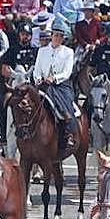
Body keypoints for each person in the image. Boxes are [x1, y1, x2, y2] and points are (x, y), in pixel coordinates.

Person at [33, 25, 77, 155]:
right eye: (56, 35)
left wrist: (55, 78)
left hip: (61, 85)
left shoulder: (68, 52)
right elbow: (37, 69)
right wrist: (38, 78)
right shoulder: (42, 51)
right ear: (51, 35)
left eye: (61, 36)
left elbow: (67, 72)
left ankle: (68, 130)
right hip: (43, 84)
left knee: (64, 101)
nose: (58, 38)